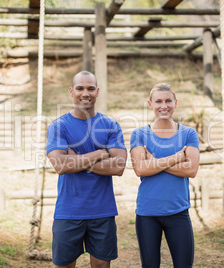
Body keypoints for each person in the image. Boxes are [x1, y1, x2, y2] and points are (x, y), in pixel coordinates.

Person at [46, 71, 127, 268]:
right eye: (80, 88)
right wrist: (99, 154)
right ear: (71, 91)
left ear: (97, 91)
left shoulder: (110, 125)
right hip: (68, 211)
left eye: (90, 88)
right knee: (64, 265)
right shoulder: (59, 126)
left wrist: (75, 158)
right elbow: (61, 165)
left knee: (101, 265)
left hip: (102, 210)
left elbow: (118, 166)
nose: (85, 93)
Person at [130, 83, 200, 268]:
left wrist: (155, 162)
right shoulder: (139, 134)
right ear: (150, 104)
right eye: (158, 101)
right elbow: (140, 170)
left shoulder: (188, 133)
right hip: (147, 213)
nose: (164, 105)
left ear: (175, 103)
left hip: (178, 211)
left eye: (168, 100)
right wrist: (177, 158)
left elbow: (191, 170)